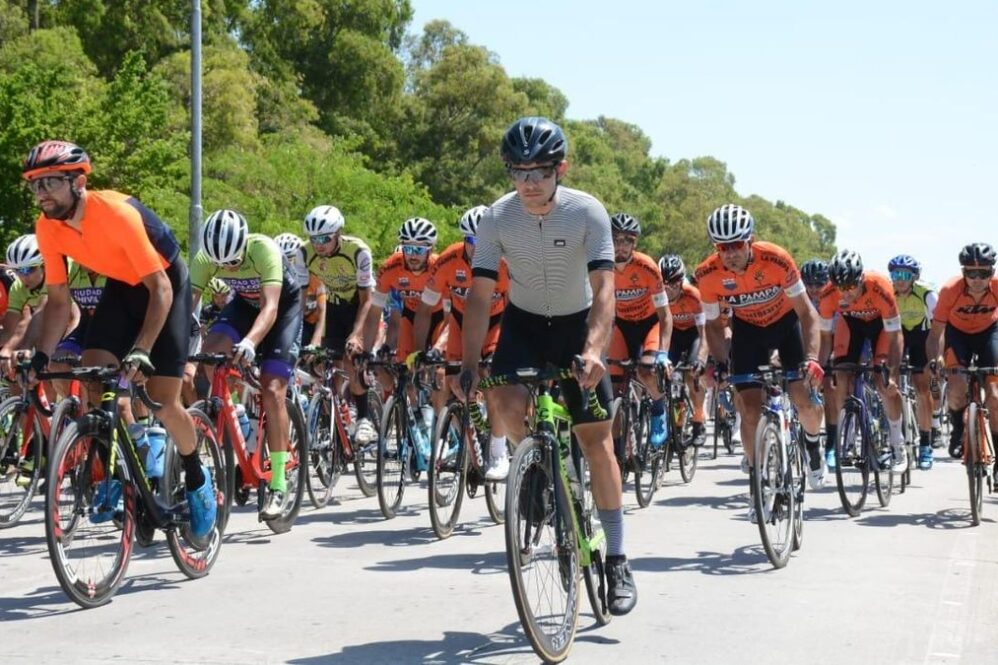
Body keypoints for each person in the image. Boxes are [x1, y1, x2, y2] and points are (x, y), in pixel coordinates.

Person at [457, 116, 636, 616]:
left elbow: (605, 289)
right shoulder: (496, 217)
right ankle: (534, 468)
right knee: (504, 399)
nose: (529, 183)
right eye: (518, 172)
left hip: (578, 325)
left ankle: (617, 558)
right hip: (525, 322)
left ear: (561, 168)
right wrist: (469, 364)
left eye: (539, 171)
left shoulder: (587, 212)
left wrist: (597, 349)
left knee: (596, 441)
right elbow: (480, 294)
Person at [24, 139, 216, 538]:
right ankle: (121, 470)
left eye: (50, 183)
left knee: (163, 400)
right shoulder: (47, 227)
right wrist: (42, 356)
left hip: (164, 286)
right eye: (35, 185)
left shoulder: (115, 213)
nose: (41, 194)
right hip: (122, 288)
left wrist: (143, 349)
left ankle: (198, 479)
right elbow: (58, 301)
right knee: (94, 375)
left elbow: (160, 289)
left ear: (78, 182)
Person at [694, 204, 825, 506]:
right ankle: (757, 480)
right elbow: (714, 326)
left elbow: (807, 314)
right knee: (750, 410)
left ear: (750, 239)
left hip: (786, 325)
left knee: (801, 395)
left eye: (736, 244)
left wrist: (813, 358)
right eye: (722, 247)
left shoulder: (777, 259)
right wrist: (722, 363)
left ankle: (813, 445)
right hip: (748, 331)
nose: (730, 253)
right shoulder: (708, 274)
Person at [191, 209, 303, 520]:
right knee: (210, 356)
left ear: (243, 245)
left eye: (233, 262)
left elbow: (270, 308)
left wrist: (251, 342)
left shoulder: (263, 249)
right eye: (221, 264)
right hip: (242, 304)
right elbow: (187, 306)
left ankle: (279, 482)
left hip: (282, 309)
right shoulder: (204, 259)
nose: (227, 267)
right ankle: (238, 420)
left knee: (273, 387)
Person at [414, 205, 511, 478]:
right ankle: (464, 431)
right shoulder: (447, 261)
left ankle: (498, 449)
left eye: (485, 242)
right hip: (460, 322)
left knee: (491, 378)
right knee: (449, 380)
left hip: (496, 323)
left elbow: (515, 309)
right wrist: (422, 352)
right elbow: (424, 309)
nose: (478, 248)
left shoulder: (505, 264)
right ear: (463, 241)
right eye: (472, 241)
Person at [818, 250, 906, 470]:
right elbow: (825, 338)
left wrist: (893, 372)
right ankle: (838, 441)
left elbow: (895, 335)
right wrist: (822, 370)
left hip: (881, 327)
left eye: (850, 287)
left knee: (884, 383)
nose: (845, 293)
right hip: (850, 325)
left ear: (860, 280)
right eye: (840, 288)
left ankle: (897, 444)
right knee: (839, 378)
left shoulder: (880, 286)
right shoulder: (828, 295)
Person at [301, 205, 377, 444]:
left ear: (338, 233)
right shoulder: (303, 253)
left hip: (359, 305)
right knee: (325, 364)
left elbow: (367, 300)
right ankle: (336, 419)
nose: (319, 244)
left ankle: (364, 419)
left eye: (325, 238)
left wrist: (357, 335)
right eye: (314, 239)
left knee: (353, 358)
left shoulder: (358, 251)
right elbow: (300, 299)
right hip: (333, 305)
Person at [925, 243, 998, 461]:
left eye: (983, 273)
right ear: (963, 273)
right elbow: (935, 333)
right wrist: (933, 360)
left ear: (991, 273)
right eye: (971, 273)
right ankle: (958, 430)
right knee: (956, 387)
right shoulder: (949, 290)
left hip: (990, 333)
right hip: (958, 335)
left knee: (994, 395)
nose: (977, 279)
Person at [607, 213, 673, 446]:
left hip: (649, 324)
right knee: (613, 390)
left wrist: (663, 353)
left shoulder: (646, 266)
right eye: (615, 239)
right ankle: (618, 450)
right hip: (621, 326)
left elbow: (665, 315)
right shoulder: (600, 265)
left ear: (635, 243)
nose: (621, 245)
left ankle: (658, 407)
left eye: (627, 240)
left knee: (646, 370)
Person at [889, 254, 941, 467]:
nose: (899, 279)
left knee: (922, 388)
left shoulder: (927, 295)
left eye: (904, 275)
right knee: (889, 380)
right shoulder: (889, 293)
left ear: (914, 277)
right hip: (899, 334)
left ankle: (926, 443)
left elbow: (939, 329)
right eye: (895, 274)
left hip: (923, 336)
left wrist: (936, 357)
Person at [659, 254, 709, 443]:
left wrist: (701, 359)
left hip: (693, 334)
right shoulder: (656, 295)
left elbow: (704, 332)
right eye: (665, 282)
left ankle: (698, 419)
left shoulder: (693, 296)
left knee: (691, 375)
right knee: (663, 373)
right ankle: (671, 421)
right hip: (673, 336)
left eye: (674, 282)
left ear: (682, 281)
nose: (669, 287)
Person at [275, 232, 327, 349]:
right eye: (282, 262)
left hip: (313, 323)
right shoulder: (275, 280)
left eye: (292, 260)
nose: (287, 266)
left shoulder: (315, 280)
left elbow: (322, 312)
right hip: (288, 320)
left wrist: (315, 341)